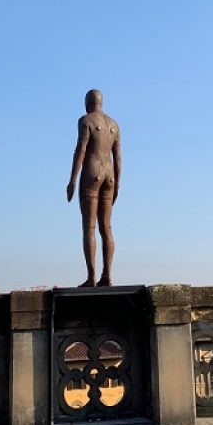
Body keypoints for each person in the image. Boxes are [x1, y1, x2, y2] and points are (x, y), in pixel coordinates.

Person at [66, 89, 121, 287]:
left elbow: (80, 149)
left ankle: (91, 277)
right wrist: (118, 183)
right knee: (106, 228)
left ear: (87, 103)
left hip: (92, 172)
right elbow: (118, 157)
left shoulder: (86, 120)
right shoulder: (114, 124)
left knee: (89, 227)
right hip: (110, 176)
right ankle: (107, 275)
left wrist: (72, 180)